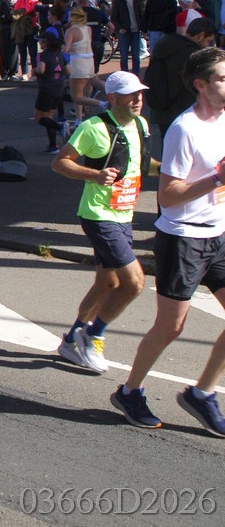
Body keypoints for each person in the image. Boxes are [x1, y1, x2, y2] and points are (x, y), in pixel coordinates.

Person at [111, 47, 225, 435]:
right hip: (183, 238)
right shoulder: (184, 129)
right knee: (170, 327)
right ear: (201, 85)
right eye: (222, 78)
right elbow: (168, 195)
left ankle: (202, 394)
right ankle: (130, 391)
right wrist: (216, 179)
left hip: (218, 233)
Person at [50, 71, 150, 374]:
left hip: (124, 214)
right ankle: (93, 335)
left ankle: (71, 339)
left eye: (140, 93)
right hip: (98, 215)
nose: (138, 99)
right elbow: (60, 162)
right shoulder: (93, 128)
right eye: (130, 95)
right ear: (112, 98)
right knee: (134, 283)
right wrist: (95, 175)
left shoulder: (141, 125)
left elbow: (141, 165)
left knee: (108, 282)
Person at [143, 17, 214, 138]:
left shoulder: (165, 44)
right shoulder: (192, 56)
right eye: (209, 41)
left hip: (161, 110)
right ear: (201, 35)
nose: (208, 46)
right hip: (181, 113)